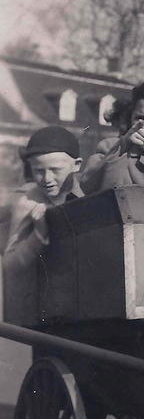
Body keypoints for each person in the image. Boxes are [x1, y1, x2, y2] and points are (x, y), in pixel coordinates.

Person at [3, 126, 83, 323]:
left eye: (55, 170)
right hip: (36, 311)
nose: (47, 179)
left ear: (77, 165)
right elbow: (9, 266)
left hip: (75, 307)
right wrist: (38, 236)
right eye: (39, 171)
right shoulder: (27, 203)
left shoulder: (82, 199)